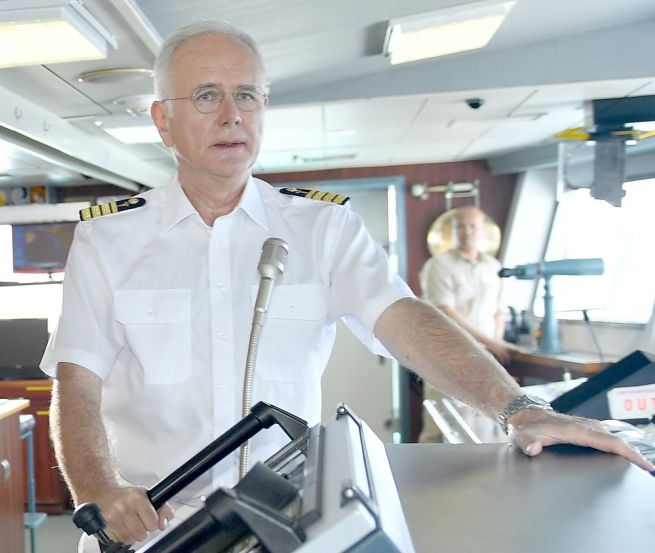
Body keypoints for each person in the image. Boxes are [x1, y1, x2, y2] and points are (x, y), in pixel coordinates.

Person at [40, 20, 654, 550]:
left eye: (247, 96)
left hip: (285, 521)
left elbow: (403, 318)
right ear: (163, 121)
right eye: (206, 96)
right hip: (154, 523)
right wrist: (100, 492)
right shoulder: (107, 241)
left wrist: (519, 408)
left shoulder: (323, 226)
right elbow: (77, 382)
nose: (232, 115)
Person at [418, 206, 520, 442]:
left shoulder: (494, 267)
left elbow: (499, 310)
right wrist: (492, 344)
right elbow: (446, 311)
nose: (467, 231)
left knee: (483, 428)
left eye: (473, 226)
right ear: (452, 231)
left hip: (486, 357)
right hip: (446, 356)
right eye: (460, 226)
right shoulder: (439, 265)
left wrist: (496, 343)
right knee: (440, 428)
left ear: (483, 229)